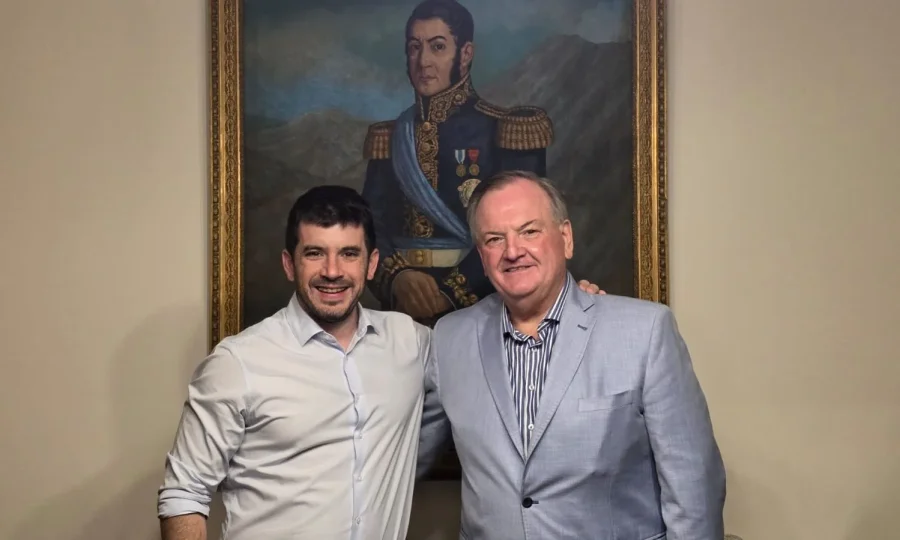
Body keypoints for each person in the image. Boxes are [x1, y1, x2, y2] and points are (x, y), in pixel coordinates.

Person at [156, 185, 604, 539]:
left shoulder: (412, 341)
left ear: (371, 264)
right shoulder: (238, 362)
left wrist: (569, 305)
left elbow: (494, 340)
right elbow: (183, 493)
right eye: (315, 253)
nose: (333, 271)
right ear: (289, 264)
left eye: (348, 254)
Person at [416, 171, 727, 539]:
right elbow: (402, 453)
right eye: (494, 239)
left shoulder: (644, 332)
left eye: (529, 231)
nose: (513, 251)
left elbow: (693, 487)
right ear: (482, 257)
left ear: (565, 238)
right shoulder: (451, 338)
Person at [361, 0, 554, 327]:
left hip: (485, 309)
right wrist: (397, 278)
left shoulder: (504, 130)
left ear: (465, 55)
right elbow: (368, 226)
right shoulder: (391, 136)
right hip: (401, 311)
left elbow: (526, 234)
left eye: (437, 47)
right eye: (414, 48)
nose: (423, 61)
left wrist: (449, 292)